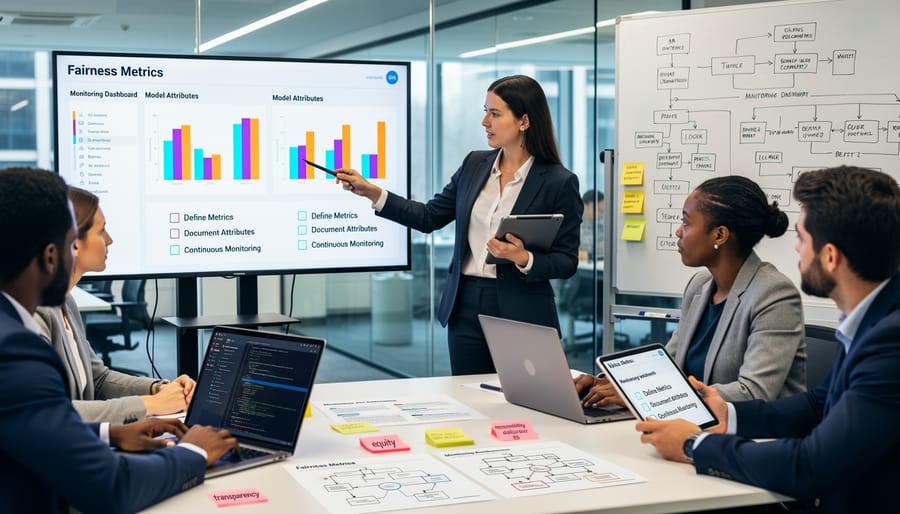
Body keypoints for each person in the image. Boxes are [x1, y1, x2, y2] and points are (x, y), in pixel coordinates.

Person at [638, 166, 900, 513]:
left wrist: (693, 445)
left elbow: (809, 466)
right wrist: (728, 413)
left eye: (802, 239)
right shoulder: (873, 320)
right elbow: (818, 404)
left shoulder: (890, 343)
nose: (796, 249)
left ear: (831, 257)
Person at [0, 167, 238, 513]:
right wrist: (195, 452)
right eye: (70, 244)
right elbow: (112, 487)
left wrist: (109, 433)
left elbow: (27, 423)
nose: (109, 240)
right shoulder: (14, 352)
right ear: (53, 256)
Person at [335, 75, 582, 375]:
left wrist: (523, 258)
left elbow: (566, 261)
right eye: (485, 111)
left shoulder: (558, 181)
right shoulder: (474, 165)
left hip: (522, 308)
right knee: (468, 398)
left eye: (495, 113)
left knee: (526, 402)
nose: (484, 121)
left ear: (524, 121)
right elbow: (429, 216)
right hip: (465, 304)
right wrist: (373, 191)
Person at [576, 176, 805, 406]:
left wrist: (641, 396)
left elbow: (752, 393)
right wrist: (612, 383)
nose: (678, 232)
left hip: (754, 435)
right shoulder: (700, 285)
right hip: (697, 427)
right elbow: (668, 363)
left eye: (686, 223)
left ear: (719, 235)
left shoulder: (774, 295)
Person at [34, 186, 193, 424]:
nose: (109, 240)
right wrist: (151, 405)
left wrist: (158, 388)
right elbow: (50, 411)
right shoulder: (34, 314)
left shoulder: (66, 302)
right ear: (74, 244)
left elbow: (98, 380)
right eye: (101, 231)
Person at [580, 190, 604, 261]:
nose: (600, 215)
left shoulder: (601, 227)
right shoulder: (572, 227)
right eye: (599, 210)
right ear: (585, 206)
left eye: (602, 212)